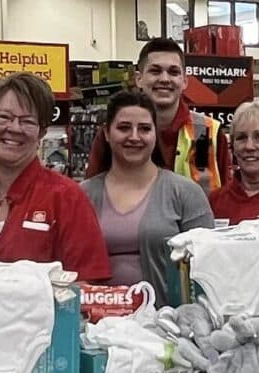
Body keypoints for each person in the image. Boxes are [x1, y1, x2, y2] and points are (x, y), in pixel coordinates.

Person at [0, 72, 111, 282]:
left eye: (27, 121)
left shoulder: (67, 197)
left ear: (41, 133)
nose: (14, 128)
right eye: (4, 117)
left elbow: (86, 282)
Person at [81, 90, 214, 307]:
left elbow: (210, 268)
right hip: (95, 328)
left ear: (155, 134)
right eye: (124, 128)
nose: (134, 136)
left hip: (166, 329)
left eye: (144, 129)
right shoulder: (82, 195)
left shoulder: (185, 193)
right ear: (106, 133)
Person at [84, 38, 232, 195]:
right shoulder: (114, 133)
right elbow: (91, 197)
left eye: (173, 72)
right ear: (138, 79)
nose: (164, 79)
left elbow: (226, 199)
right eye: (155, 71)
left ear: (184, 81)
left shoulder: (208, 132)